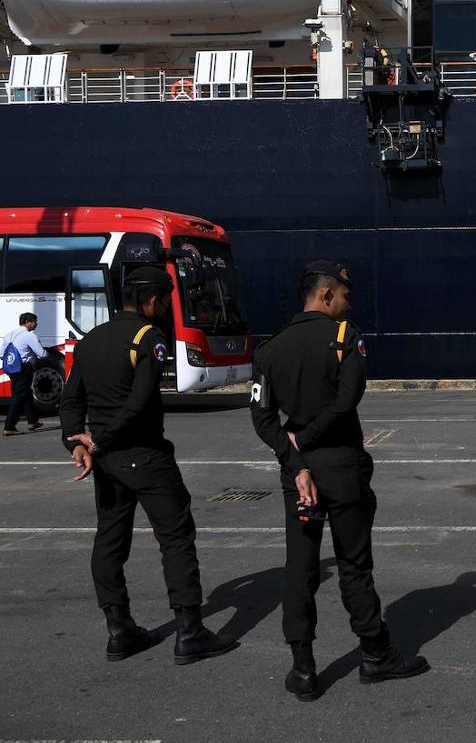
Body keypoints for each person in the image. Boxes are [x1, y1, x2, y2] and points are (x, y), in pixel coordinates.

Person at [251, 260, 428, 701]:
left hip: (300, 475)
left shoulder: (269, 350)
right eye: (345, 295)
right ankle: (375, 654)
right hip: (342, 466)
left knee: (300, 566)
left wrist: (295, 457)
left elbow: (261, 416)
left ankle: (303, 668)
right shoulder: (345, 338)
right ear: (326, 294)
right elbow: (348, 400)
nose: (349, 303)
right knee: (353, 564)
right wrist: (309, 440)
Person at [58, 266, 238, 665]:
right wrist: (98, 440)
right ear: (153, 300)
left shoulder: (89, 340)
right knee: (175, 538)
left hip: (106, 463)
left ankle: (119, 630)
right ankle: (190, 632)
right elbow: (139, 403)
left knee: (109, 541)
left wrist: (78, 442)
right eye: (164, 301)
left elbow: (70, 401)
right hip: (144, 455)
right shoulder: (148, 338)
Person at [2, 312, 48, 435]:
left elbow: (2, 354)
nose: (36, 324)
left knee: (25, 393)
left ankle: (32, 421)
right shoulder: (29, 335)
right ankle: (9, 426)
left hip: (12, 368)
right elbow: (42, 354)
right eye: (34, 321)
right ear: (28, 322)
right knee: (18, 397)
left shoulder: (9, 335)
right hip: (24, 368)